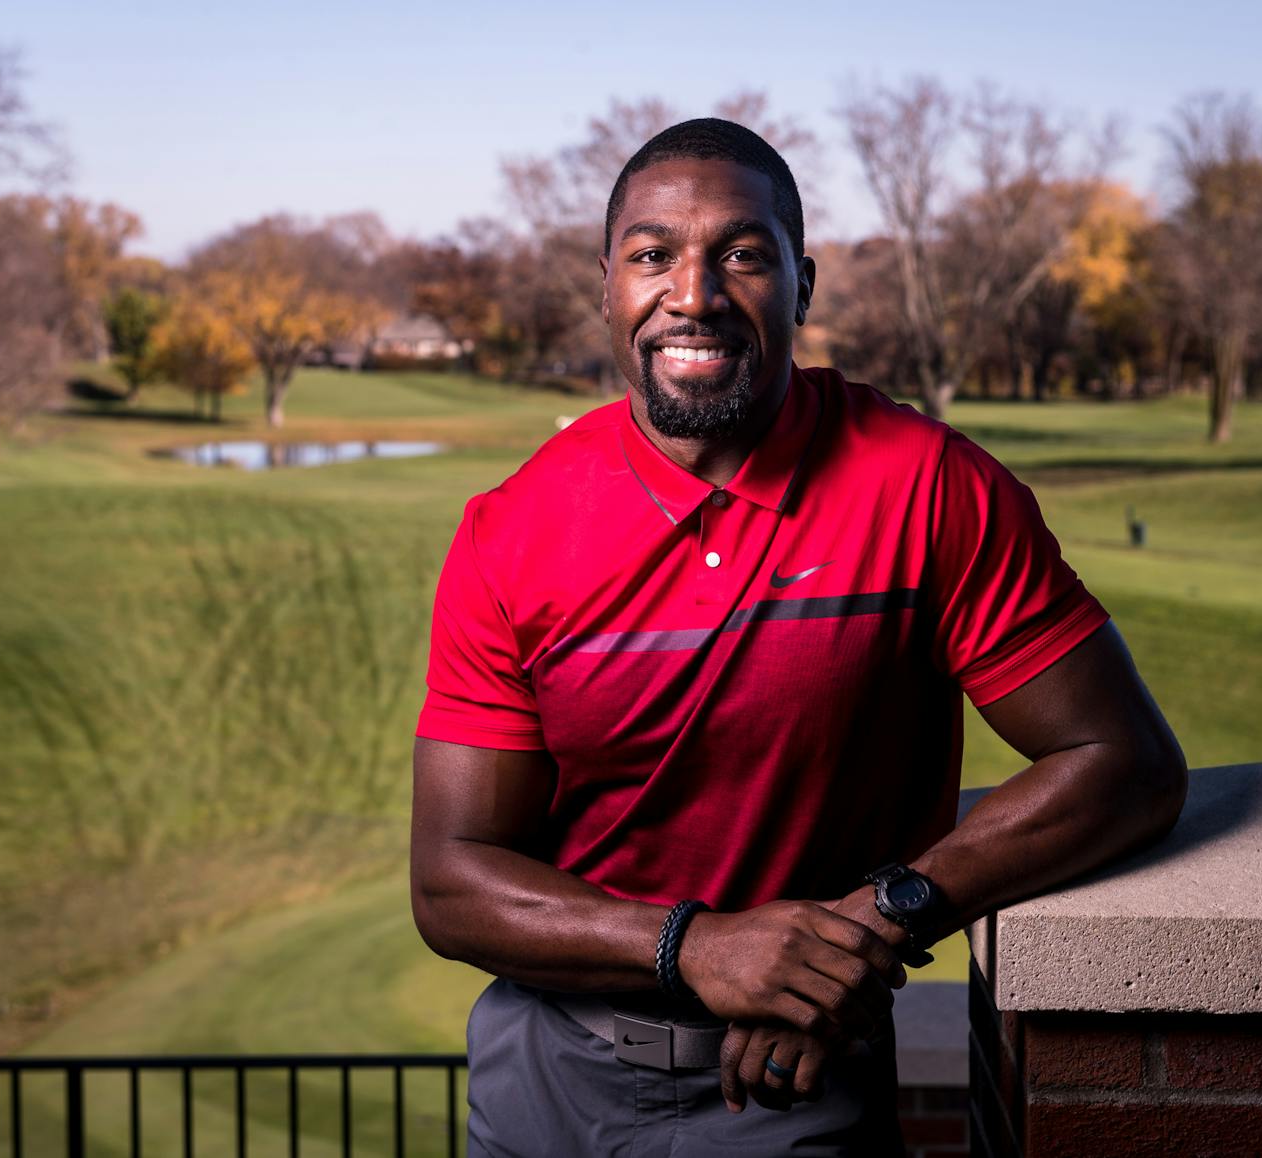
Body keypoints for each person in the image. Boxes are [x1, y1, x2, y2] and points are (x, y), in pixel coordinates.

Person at [410, 118, 1187, 1157]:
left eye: (741, 255)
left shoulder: (926, 486)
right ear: (607, 287)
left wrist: (874, 923)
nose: (693, 295)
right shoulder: (509, 532)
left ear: (801, 285)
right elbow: (450, 880)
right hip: (541, 1083)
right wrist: (696, 947)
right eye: (652, 256)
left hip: (788, 1091)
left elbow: (1121, 763)